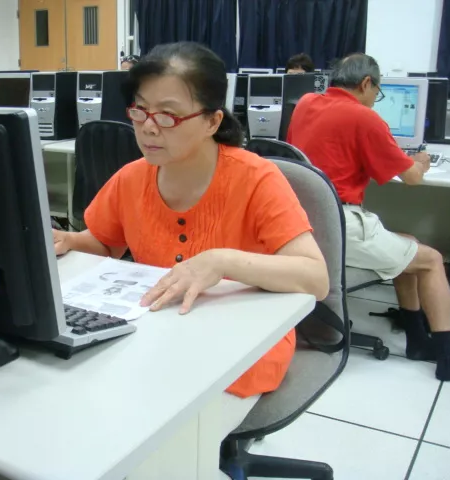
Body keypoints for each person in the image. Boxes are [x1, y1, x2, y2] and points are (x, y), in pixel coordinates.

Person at [53, 41, 329, 476]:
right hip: (157, 337)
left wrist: (222, 261)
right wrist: (68, 240)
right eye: (140, 111)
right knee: (89, 426)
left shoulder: (256, 179)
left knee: (157, 453)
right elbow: (105, 244)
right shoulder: (131, 178)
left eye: (168, 115)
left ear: (212, 121)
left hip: (240, 349)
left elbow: (315, 278)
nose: (148, 128)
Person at [287, 53, 450, 381]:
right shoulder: (364, 118)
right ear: (366, 83)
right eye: (377, 93)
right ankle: (448, 357)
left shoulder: (306, 103)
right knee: (432, 260)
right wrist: (421, 161)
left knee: (408, 244)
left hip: (304, 224)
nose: (375, 100)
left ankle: (416, 340)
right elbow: (412, 178)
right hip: (341, 225)